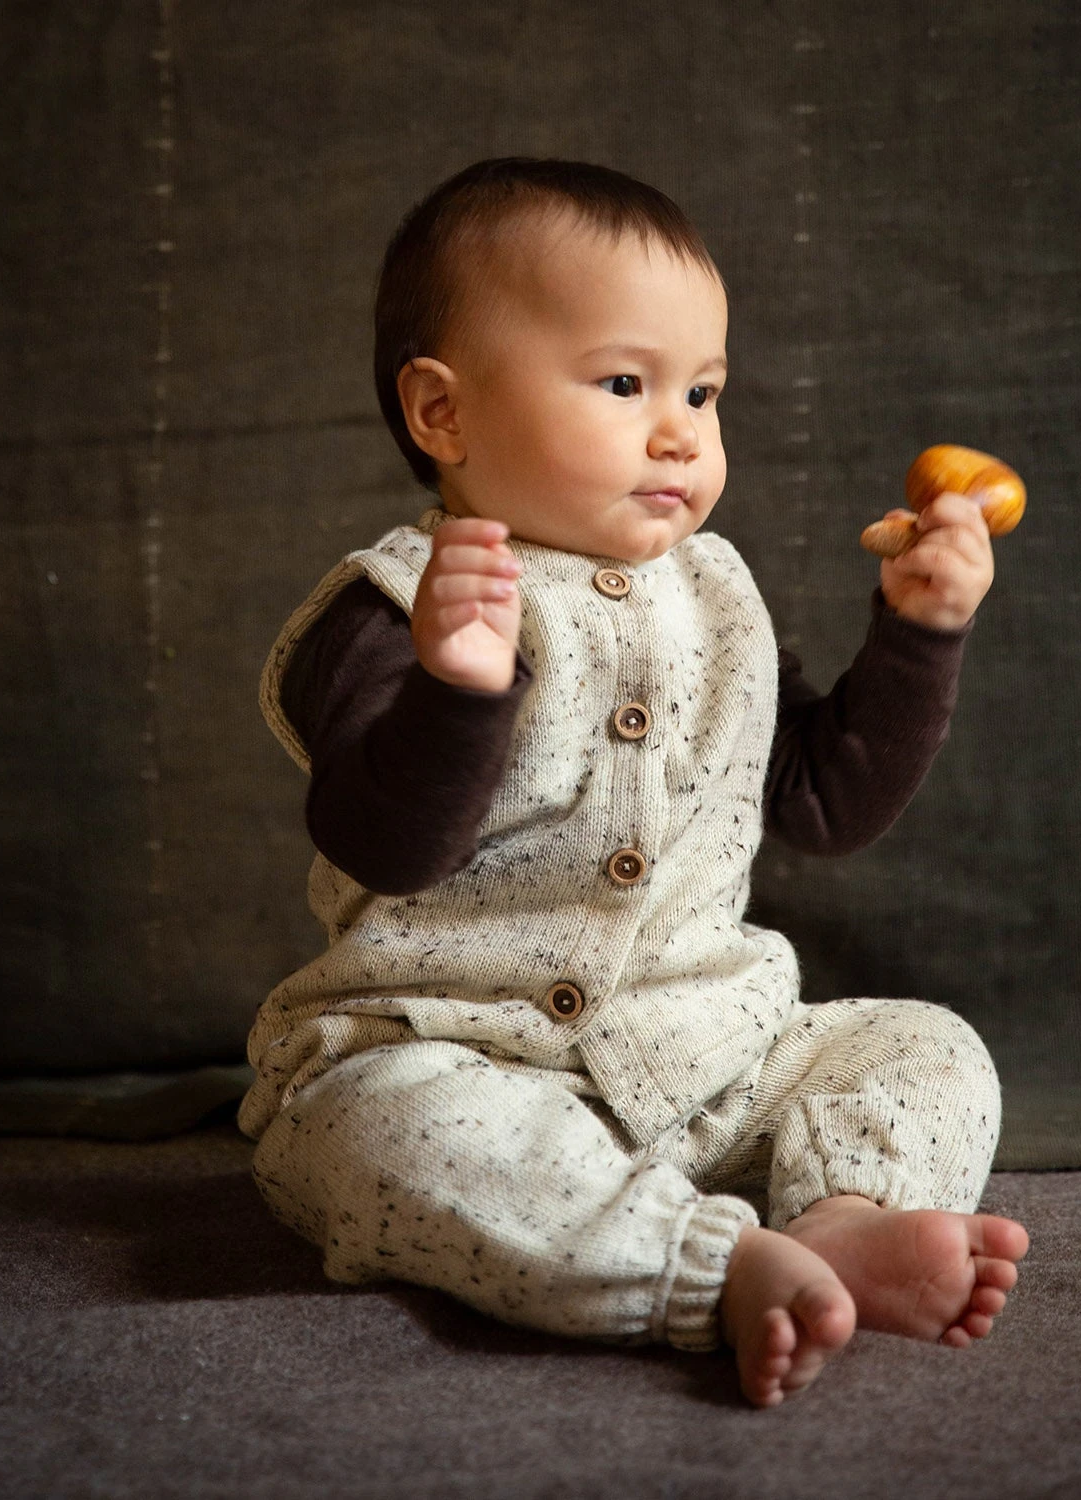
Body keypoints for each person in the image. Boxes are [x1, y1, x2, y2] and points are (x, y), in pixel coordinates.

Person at [239, 157, 1029, 1408]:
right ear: (442, 414)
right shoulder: (393, 608)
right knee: (379, 1135)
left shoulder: (716, 598)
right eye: (625, 384)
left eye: (705, 392)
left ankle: (839, 1220)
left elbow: (824, 801)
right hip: (451, 1056)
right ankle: (708, 1266)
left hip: (706, 1056)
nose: (684, 432)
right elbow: (384, 842)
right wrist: (460, 686)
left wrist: (917, 636)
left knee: (928, 1047)